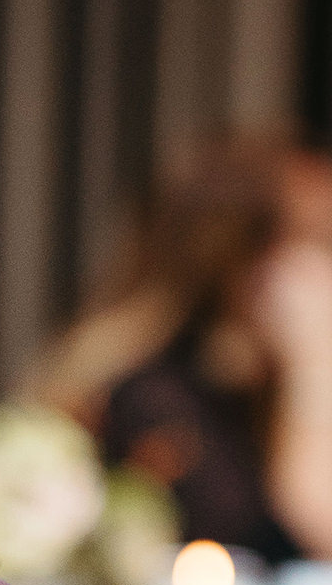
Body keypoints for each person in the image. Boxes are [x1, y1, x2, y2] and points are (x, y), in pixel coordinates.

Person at [36, 134, 332, 562]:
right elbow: (299, 538)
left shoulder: (247, 384)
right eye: (320, 242)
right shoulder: (151, 393)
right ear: (250, 261)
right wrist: (313, 369)